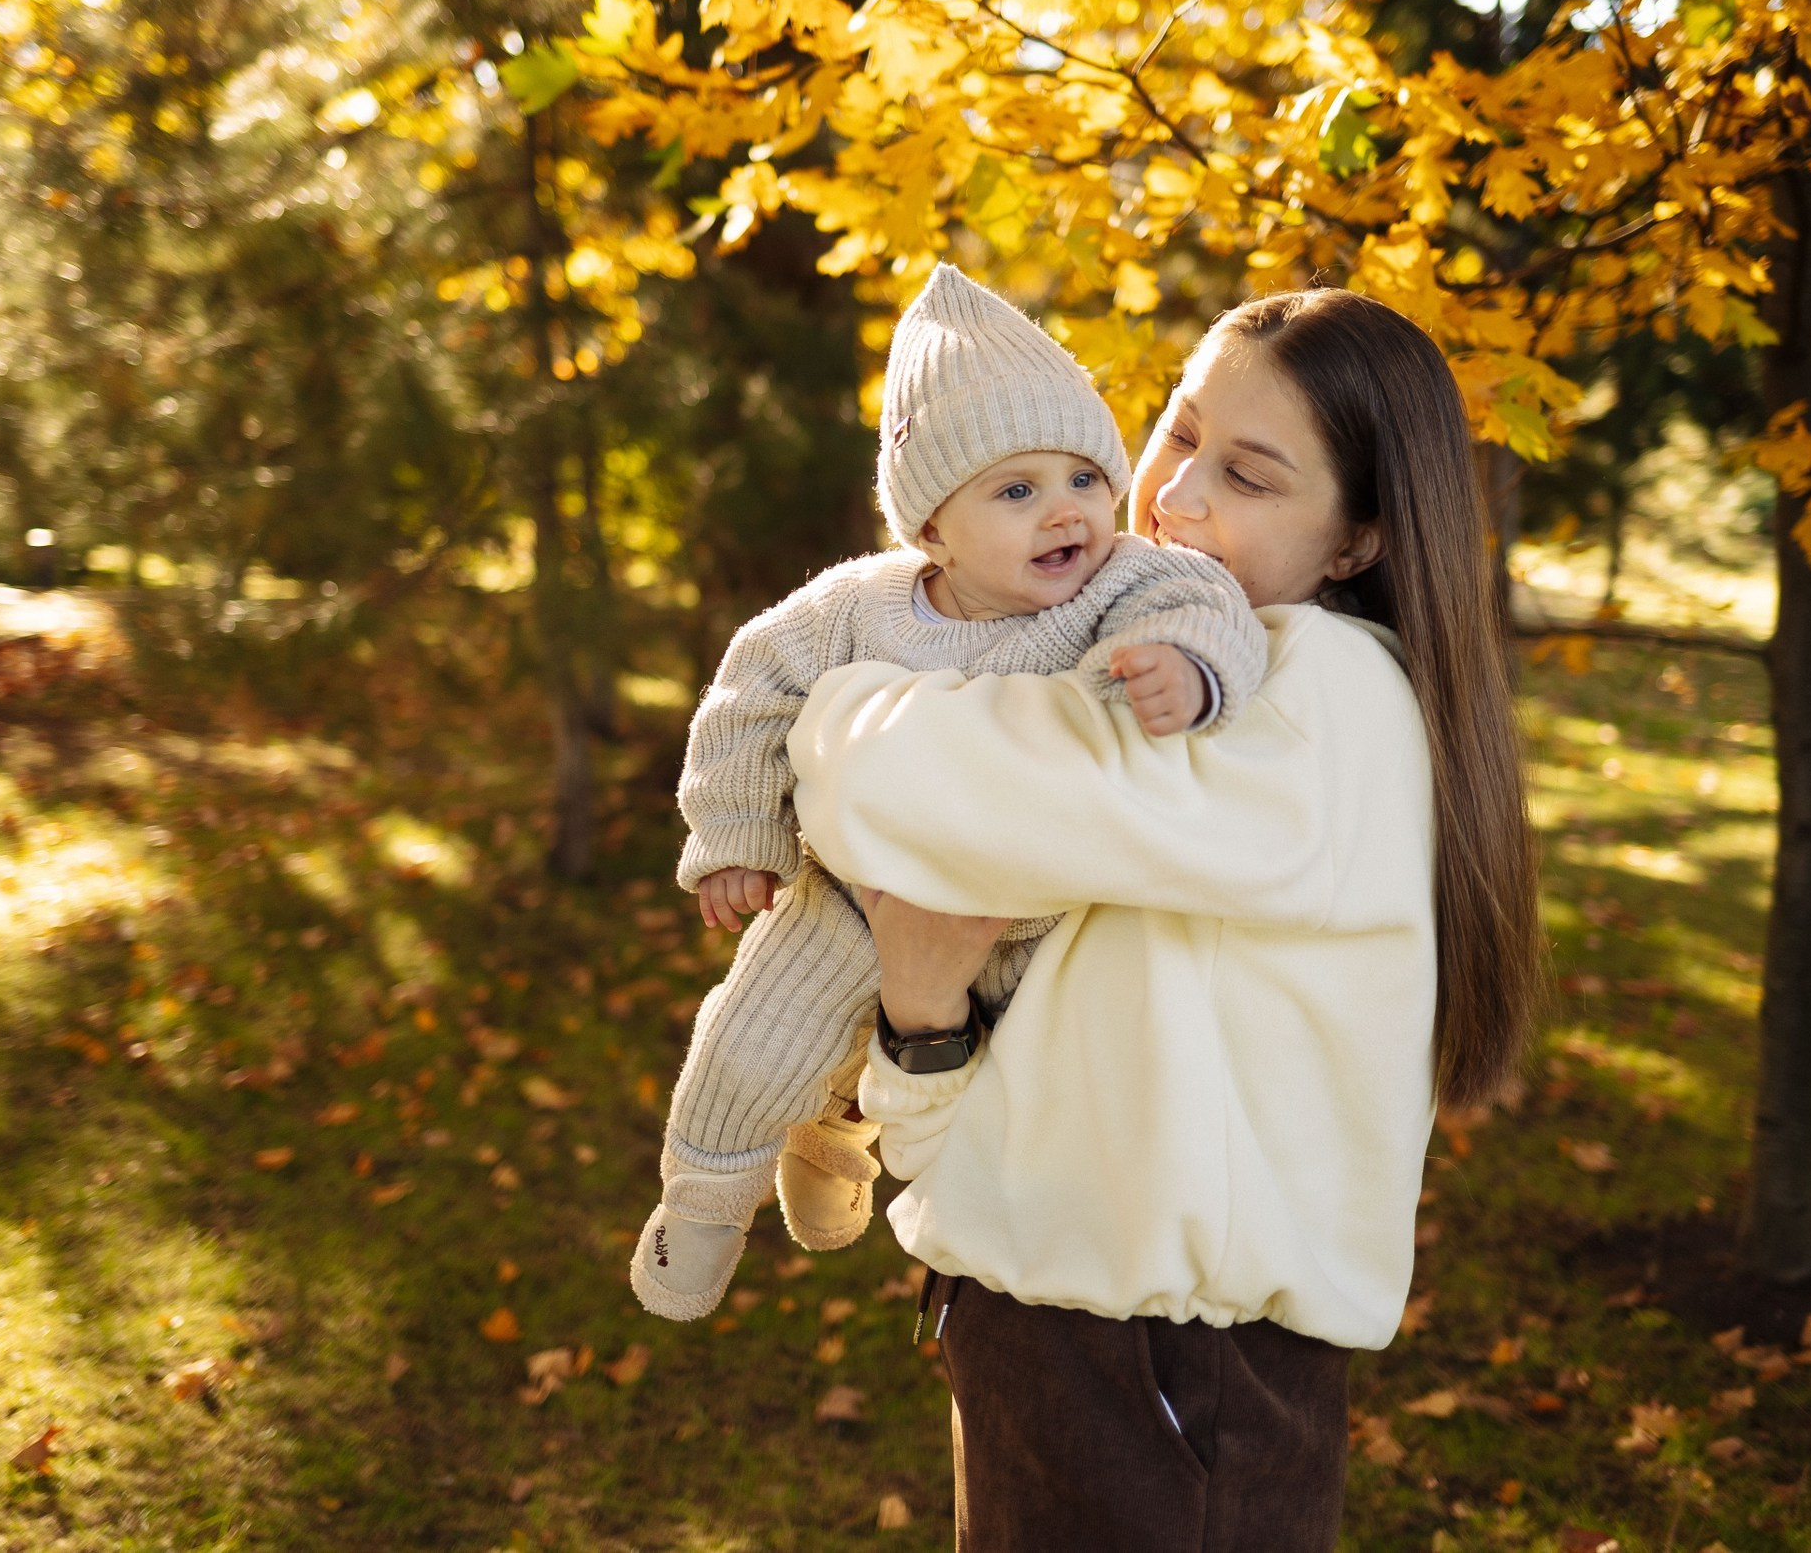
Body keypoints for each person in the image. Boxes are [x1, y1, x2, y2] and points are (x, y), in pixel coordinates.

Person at [784, 288, 1544, 1549]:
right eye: (1178, 434)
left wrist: (825, 701)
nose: (1175, 499)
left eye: (1248, 476)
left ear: (1357, 541)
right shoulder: (1164, 664)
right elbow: (1004, 1070)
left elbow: (887, 781)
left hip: (1166, 1386)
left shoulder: (1312, 697)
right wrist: (921, 1022)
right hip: (1044, 1347)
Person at [633, 264, 1268, 1322]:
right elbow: (751, 688)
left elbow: (1199, 599)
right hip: (852, 889)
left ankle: (840, 1121)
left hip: (1039, 915)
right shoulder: (857, 607)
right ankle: (701, 1208)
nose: (1063, 512)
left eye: (1080, 476)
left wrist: (1187, 667)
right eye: (1015, 491)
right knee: (755, 1035)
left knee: (998, 1101)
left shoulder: (1122, 579)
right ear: (930, 530)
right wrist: (738, 831)